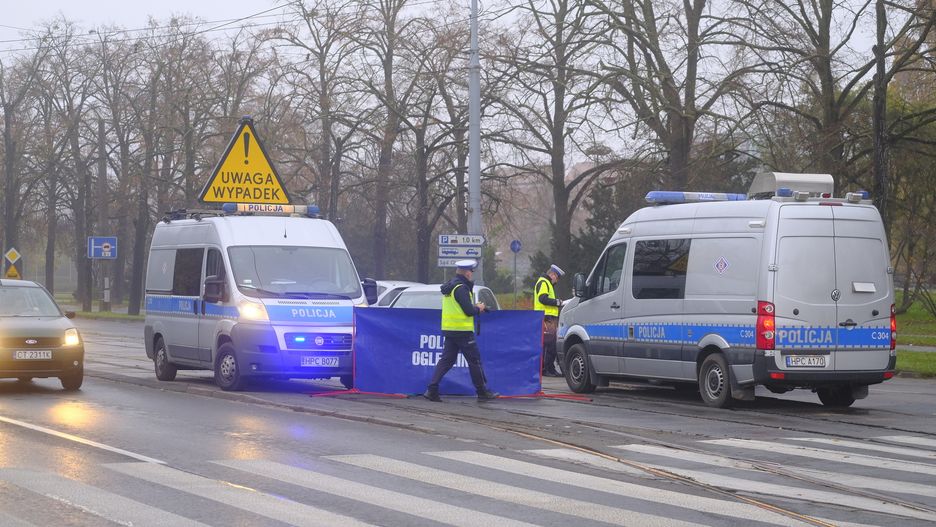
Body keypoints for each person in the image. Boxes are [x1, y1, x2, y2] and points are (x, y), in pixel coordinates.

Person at [424, 259, 499, 402]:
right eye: (471, 271)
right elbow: (468, 310)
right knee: (474, 360)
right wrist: (479, 308)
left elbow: (460, 307)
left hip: (450, 329)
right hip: (462, 331)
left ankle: (431, 389)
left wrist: (475, 307)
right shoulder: (461, 288)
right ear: (466, 272)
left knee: (446, 360)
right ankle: (482, 392)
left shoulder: (451, 287)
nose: (472, 274)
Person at [534, 264, 564, 377]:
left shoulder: (545, 283)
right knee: (550, 345)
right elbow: (543, 299)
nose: (557, 280)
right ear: (552, 274)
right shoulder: (544, 282)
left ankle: (546, 369)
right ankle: (548, 369)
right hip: (546, 318)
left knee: (547, 344)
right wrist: (557, 302)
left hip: (547, 318)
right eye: (557, 277)